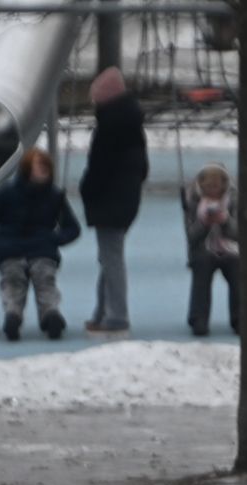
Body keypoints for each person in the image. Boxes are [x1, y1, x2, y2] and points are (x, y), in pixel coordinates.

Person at [0, 147, 81, 341]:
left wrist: (54, 239)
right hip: (20, 248)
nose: (44, 173)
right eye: (39, 168)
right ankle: (17, 316)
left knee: (39, 281)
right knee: (24, 281)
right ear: (27, 170)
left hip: (29, 248)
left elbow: (73, 228)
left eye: (46, 169)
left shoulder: (52, 196)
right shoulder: (13, 194)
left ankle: (44, 315)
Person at [77, 67, 148, 337]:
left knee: (111, 258)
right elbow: (142, 168)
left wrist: (87, 190)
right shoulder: (132, 125)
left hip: (110, 201)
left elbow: (99, 168)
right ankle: (102, 311)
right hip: (126, 199)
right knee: (108, 257)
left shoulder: (109, 128)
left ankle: (117, 316)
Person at [182, 162, 238, 337]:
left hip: (231, 249)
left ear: (223, 185)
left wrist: (225, 221)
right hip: (202, 250)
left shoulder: (235, 200)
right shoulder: (192, 200)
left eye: (216, 186)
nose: (212, 190)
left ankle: (241, 319)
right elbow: (191, 237)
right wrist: (204, 224)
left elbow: (241, 234)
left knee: (239, 272)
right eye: (207, 186)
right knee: (202, 269)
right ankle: (198, 320)